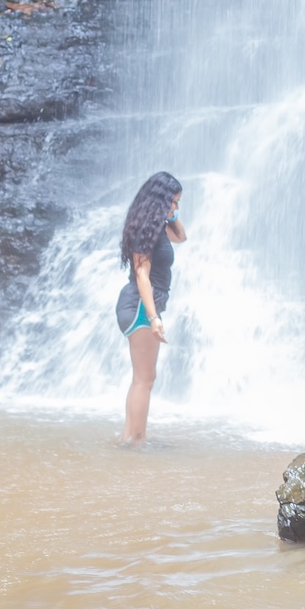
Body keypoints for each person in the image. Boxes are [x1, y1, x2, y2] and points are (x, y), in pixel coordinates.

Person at [116, 171, 186, 445]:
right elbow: (141, 274)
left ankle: (129, 437)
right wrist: (154, 317)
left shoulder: (157, 225)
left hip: (142, 305)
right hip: (139, 306)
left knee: (143, 378)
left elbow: (181, 237)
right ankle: (137, 441)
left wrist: (171, 215)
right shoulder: (147, 229)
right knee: (145, 379)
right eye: (174, 202)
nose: (176, 207)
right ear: (162, 200)